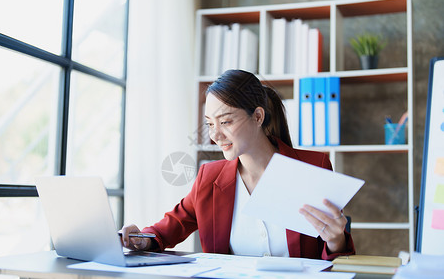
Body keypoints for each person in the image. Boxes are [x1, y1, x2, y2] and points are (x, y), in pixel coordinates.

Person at [121, 69, 355, 260]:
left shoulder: (313, 167)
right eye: (210, 124)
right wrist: (141, 238)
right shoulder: (209, 178)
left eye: (225, 121)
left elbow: (336, 259)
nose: (216, 135)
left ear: (258, 117)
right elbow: (165, 231)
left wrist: (336, 241)